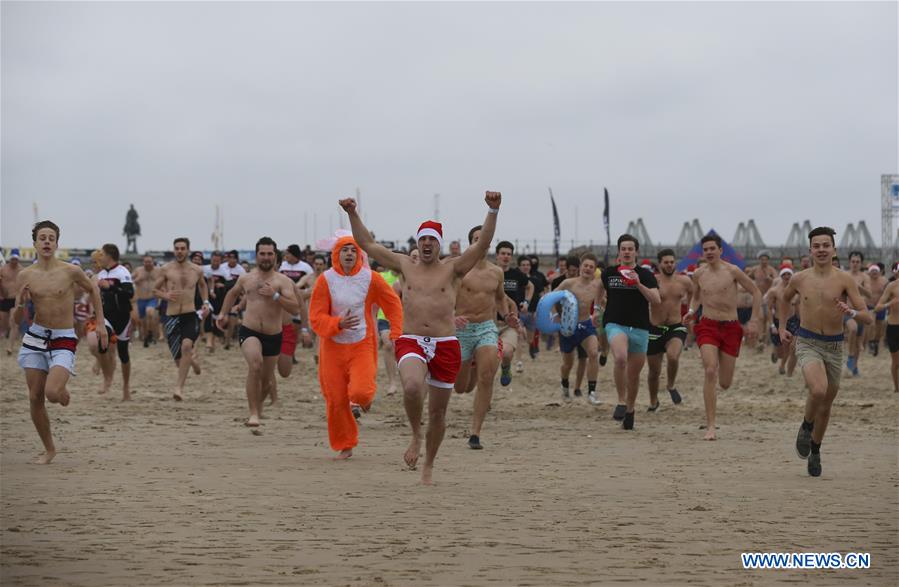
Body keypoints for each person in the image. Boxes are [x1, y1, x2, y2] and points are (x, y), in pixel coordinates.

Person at [340, 191, 501, 485]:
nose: (427, 244)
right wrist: (352, 212)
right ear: (417, 242)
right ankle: (415, 434)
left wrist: (492, 211)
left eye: (432, 240)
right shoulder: (404, 265)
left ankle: (429, 464)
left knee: (438, 413)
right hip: (412, 339)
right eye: (423, 239)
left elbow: (483, 245)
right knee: (413, 387)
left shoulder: (453, 268)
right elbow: (367, 244)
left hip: (445, 345)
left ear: (438, 244)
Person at [779, 227, 872, 476]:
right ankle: (806, 426)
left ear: (834, 249)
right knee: (818, 390)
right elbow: (784, 299)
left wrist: (850, 311)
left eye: (825, 245)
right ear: (810, 250)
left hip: (834, 346)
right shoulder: (800, 278)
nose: (821, 249)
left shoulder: (844, 279)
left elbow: (867, 317)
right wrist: (780, 327)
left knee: (826, 404)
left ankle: (816, 450)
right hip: (808, 341)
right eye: (816, 245)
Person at [15, 221, 107, 464]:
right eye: (42, 237)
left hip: (63, 337)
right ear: (34, 243)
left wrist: (99, 323)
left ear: (56, 244)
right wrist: (22, 302)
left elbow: (94, 290)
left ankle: (61, 390)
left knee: (52, 393)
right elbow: (16, 319)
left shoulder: (70, 271)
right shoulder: (25, 275)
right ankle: (49, 449)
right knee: (35, 397)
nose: (46, 241)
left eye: (51, 238)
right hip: (35, 336)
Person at [309, 235, 403, 458]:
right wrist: (337, 323)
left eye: (353, 250)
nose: (349, 254)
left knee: (360, 392)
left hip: (362, 343)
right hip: (332, 347)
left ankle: (362, 400)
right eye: (345, 250)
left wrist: (396, 332)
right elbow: (315, 317)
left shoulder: (371, 278)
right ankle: (346, 444)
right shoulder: (325, 280)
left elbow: (392, 304)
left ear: (360, 254)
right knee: (336, 399)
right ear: (336, 254)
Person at [684, 234, 761, 440]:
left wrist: (754, 319)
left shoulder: (733, 271)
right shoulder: (699, 274)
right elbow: (696, 297)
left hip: (731, 327)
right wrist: (692, 311)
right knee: (710, 370)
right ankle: (711, 426)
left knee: (725, 383)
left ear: (720, 251)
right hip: (707, 325)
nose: (709, 252)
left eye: (712, 249)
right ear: (702, 252)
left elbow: (755, 292)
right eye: (705, 249)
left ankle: (718, 391)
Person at [217, 238, 299, 427]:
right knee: (255, 365)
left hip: (273, 335)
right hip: (250, 331)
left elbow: (295, 308)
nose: (266, 257)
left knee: (267, 381)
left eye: (269, 254)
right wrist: (223, 313)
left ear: (274, 255)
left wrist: (275, 295)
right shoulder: (247, 278)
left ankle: (258, 407)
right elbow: (231, 294)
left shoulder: (283, 281)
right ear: (257, 255)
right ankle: (253, 413)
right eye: (262, 253)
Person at [453, 225, 518, 450]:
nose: (481, 243)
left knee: (487, 377)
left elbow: (500, 299)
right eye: (476, 239)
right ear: (470, 243)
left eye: (484, 239)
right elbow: (442, 297)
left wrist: (507, 316)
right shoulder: (459, 270)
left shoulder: (496, 272)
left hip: (486, 328)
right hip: (462, 330)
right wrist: (452, 317)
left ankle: (475, 433)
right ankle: (470, 366)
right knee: (461, 388)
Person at [597, 235, 660, 429]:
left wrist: (638, 283)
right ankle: (622, 401)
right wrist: (598, 309)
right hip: (615, 323)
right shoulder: (609, 273)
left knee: (633, 376)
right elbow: (599, 291)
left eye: (630, 249)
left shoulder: (646, 275)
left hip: (640, 327)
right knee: (621, 358)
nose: (626, 252)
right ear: (619, 251)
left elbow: (656, 300)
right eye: (623, 248)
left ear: (636, 252)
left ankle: (630, 410)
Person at [153, 238, 211, 401]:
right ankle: (192, 360)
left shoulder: (197, 270)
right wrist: (165, 295)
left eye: (182, 248)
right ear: (174, 250)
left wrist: (206, 302)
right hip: (171, 316)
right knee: (179, 361)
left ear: (188, 250)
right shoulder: (166, 269)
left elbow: (203, 286)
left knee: (186, 346)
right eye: (177, 248)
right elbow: (154, 290)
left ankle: (179, 388)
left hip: (189, 314)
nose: (179, 251)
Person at [646, 248, 693, 410]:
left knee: (673, 357)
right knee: (653, 372)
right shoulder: (652, 280)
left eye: (672, 262)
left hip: (676, 326)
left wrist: (691, 311)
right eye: (666, 262)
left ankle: (671, 385)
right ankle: (653, 401)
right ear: (659, 264)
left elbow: (695, 294)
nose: (669, 265)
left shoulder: (684, 281)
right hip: (654, 328)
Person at [554, 253, 604, 405]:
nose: (588, 269)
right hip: (568, 326)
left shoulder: (597, 285)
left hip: (586, 325)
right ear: (581, 267)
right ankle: (564, 385)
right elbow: (550, 297)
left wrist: (600, 310)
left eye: (591, 267)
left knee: (594, 353)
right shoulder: (569, 283)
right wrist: (555, 315)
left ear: (594, 269)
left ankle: (592, 393)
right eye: (585, 266)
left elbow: (603, 301)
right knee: (568, 363)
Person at [91, 244, 135, 400]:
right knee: (100, 343)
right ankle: (107, 378)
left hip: (123, 317)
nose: (99, 257)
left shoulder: (122, 272)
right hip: (106, 317)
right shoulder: (101, 274)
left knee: (123, 354)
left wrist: (111, 287)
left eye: (101, 254)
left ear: (110, 256)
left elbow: (129, 293)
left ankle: (125, 387)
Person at [494, 241, 533, 386]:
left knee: (506, 353)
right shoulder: (490, 272)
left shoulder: (516, 274)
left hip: (509, 323)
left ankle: (505, 367)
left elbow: (530, 287)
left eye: (509, 254)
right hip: (489, 322)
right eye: (503, 253)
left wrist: (526, 302)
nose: (505, 257)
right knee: (488, 364)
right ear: (497, 255)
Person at [766, 267, 800, 376]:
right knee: (781, 351)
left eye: (788, 275)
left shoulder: (796, 290)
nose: (786, 277)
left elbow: (799, 306)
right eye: (784, 275)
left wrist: (801, 321)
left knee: (791, 347)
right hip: (778, 321)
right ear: (781, 277)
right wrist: (772, 325)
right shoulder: (774, 291)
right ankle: (775, 352)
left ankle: (782, 366)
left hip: (792, 320)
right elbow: (769, 309)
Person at [843, 251, 871, 376]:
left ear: (861, 263)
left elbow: (869, 295)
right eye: (853, 261)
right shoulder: (844, 275)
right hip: (846, 310)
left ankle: (854, 367)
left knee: (859, 340)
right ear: (849, 262)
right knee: (853, 329)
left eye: (857, 262)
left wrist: (858, 286)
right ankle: (850, 356)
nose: (855, 264)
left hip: (860, 312)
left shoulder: (865, 277)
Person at [872, 278, 899, 393]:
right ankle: (897, 388)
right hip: (894, 326)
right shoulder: (892, 286)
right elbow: (877, 307)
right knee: (896, 361)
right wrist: (890, 303)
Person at [132, 255, 161, 348]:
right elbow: (130, 281)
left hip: (152, 298)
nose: (148, 264)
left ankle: (151, 333)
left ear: (153, 262)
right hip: (141, 298)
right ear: (143, 262)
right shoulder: (138, 270)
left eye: (150, 262)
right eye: (146, 262)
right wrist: (138, 279)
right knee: (143, 321)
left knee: (150, 313)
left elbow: (163, 281)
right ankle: (146, 337)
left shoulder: (158, 271)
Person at [1, 249, 24, 355]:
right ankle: (4, 336)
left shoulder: (22, 271)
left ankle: (10, 347)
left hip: (15, 299)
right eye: (13, 258)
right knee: (3, 324)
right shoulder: (3, 269)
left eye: (16, 259)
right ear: (10, 258)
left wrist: (23, 298)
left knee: (14, 322)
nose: (14, 261)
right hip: (3, 299)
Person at [865, 264, 887, 356]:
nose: (874, 273)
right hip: (869, 306)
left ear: (879, 272)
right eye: (872, 271)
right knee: (871, 325)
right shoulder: (866, 280)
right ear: (869, 272)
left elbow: (889, 293)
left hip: (880, 306)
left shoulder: (884, 280)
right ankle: (870, 342)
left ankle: (876, 342)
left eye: (876, 271)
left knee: (880, 328)